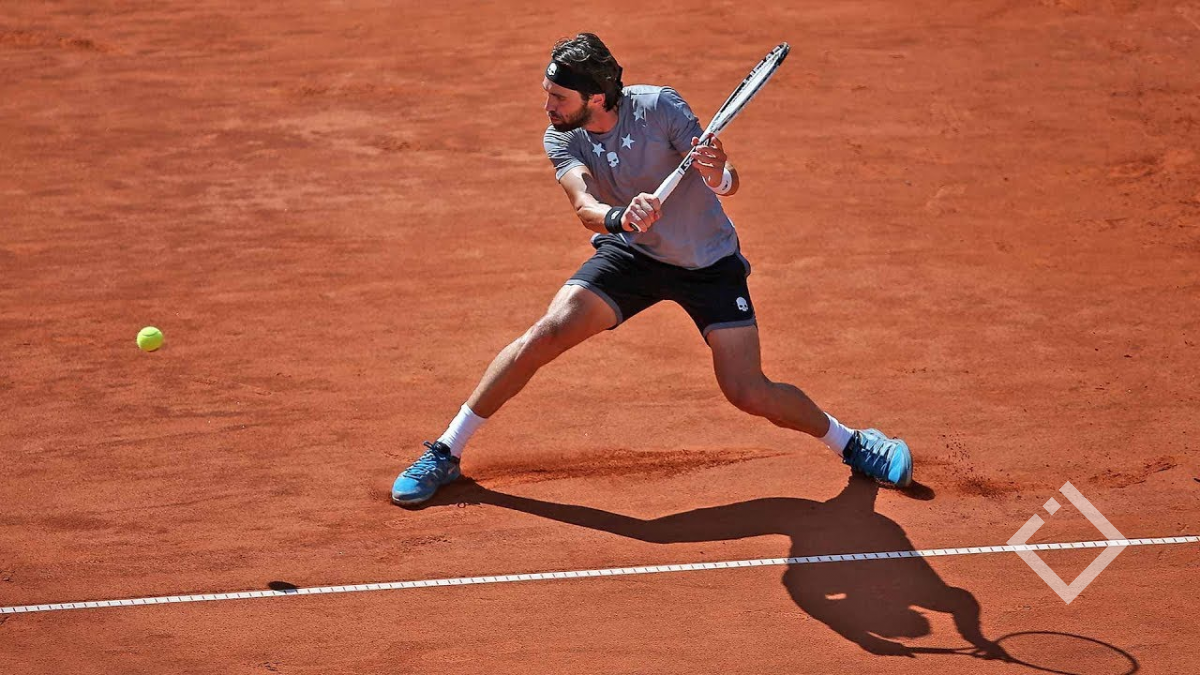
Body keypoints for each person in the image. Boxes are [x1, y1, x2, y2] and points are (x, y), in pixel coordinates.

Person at [391, 33, 912, 506]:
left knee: (747, 391)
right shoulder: (562, 136)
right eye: (548, 94)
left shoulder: (659, 107)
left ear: (597, 97)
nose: (547, 106)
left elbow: (724, 178)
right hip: (633, 253)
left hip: (707, 263)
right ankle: (446, 450)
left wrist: (718, 173)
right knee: (547, 332)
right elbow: (584, 205)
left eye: (558, 97)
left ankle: (853, 443)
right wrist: (620, 217)